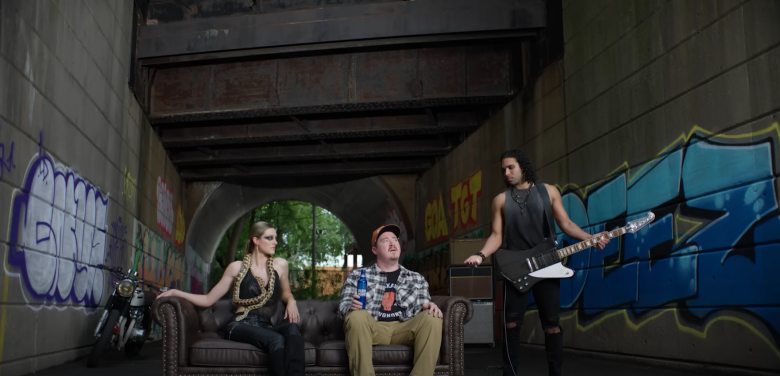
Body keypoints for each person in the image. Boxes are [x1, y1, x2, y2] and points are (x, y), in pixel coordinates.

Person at [464, 149, 610, 376]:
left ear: (523, 166)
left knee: (552, 324)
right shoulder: (500, 200)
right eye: (503, 169)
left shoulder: (549, 191)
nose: (507, 172)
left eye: (511, 167)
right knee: (511, 324)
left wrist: (590, 239)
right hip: (516, 267)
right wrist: (481, 255)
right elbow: (496, 235)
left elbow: (566, 223)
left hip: (548, 264)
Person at [157, 221, 303, 376]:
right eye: (270, 238)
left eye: (275, 238)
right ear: (256, 240)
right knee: (276, 340)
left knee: (292, 330)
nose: (275, 242)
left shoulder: (280, 265)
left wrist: (292, 301)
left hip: (266, 326)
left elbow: (286, 293)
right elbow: (208, 300)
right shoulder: (237, 267)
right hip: (240, 325)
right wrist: (176, 293)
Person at [339, 224, 443, 376]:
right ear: (375, 250)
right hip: (373, 327)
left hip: (404, 328)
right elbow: (342, 308)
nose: (393, 243)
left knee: (432, 318)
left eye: (395, 239)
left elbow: (423, 305)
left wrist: (429, 306)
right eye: (385, 240)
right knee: (356, 316)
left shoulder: (416, 278)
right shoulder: (358, 276)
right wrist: (350, 306)